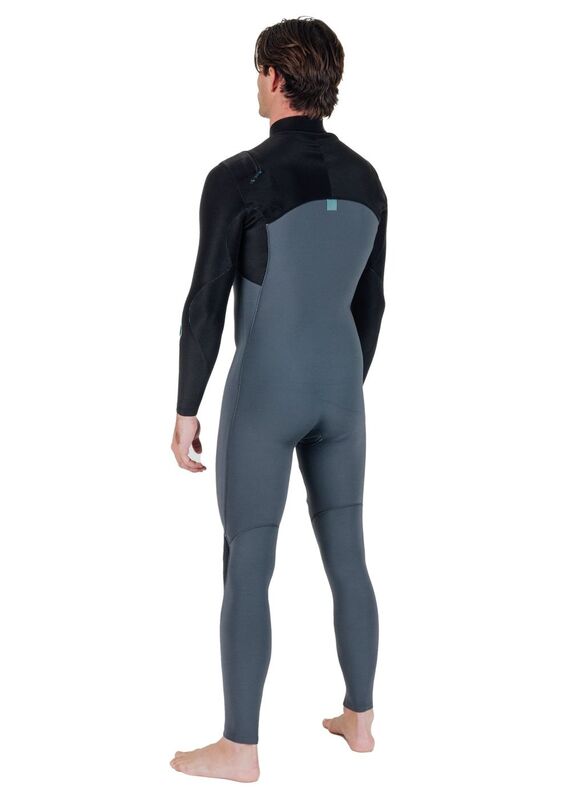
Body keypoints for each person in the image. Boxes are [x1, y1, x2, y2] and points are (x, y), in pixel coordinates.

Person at [170, 17, 388, 783]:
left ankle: (239, 748)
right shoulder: (366, 178)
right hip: (341, 391)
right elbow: (371, 304)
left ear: (272, 75)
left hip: (267, 388)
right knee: (348, 554)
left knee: (248, 560)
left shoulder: (240, 176)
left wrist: (186, 406)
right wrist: (342, 388)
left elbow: (205, 300)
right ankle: (359, 720)